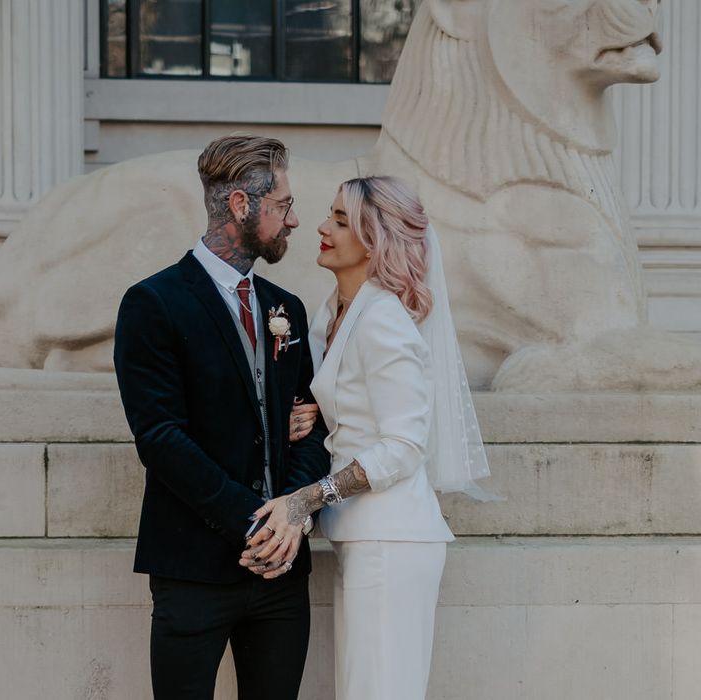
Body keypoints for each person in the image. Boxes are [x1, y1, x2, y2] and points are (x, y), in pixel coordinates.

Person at [241, 176, 493, 700]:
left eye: (339, 220)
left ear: (375, 238)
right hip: (363, 535)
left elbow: (403, 447)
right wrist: (311, 416)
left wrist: (307, 499)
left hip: (392, 540)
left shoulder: (384, 322)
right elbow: (354, 412)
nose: (320, 227)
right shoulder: (333, 315)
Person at [113, 134, 330, 700]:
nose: (294, 221)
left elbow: (312, 422)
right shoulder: (153, 303)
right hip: (194, 570)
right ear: (241, 205)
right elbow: (160, 438)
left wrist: (289, 514)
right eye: (283, 205)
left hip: (282, 572)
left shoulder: (289, 309)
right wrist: (255, 520)